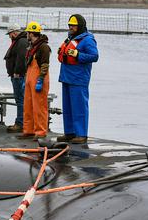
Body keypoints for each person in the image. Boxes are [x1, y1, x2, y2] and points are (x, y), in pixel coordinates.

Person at [57, 14, 99, 144]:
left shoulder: (88, 40)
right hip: (66, 77)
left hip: (79, 79)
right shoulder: (70, 39)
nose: (71, 27)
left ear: (80, 26)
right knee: (68, 108)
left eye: (73, 25)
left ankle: (81, 134)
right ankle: (69, 132)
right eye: (69, 25)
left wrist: (78, 54)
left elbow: (94, 56)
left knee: (79, 108)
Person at [19, 22, 51, 139]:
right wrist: (26, 79)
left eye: (28, 33)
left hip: (38, 79)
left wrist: (40, 80)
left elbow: (44, 65)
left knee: (39, 107)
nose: (27, 35)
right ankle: (29, 130)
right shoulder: (32, 46)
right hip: (30, 78)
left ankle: (40, 132)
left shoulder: (43, 47)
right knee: (28, 106)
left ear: (31, 33)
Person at [3, 23, 28, 132]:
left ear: (14, 33)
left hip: (19, 76)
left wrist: (17, 72)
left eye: (10, 34)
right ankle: (22, 122)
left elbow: (21, 58)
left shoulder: (21, 41)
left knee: (20, 99)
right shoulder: (20, 41)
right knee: (20, 99)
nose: (9, 36)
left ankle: (20, 123)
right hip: (17, 75)